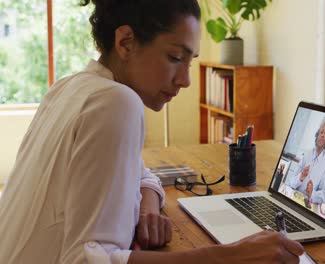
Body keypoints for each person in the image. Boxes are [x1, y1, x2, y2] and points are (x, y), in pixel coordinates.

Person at [0, 1, 304, 263]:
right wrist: (232, 256)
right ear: (126, 42)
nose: (185, 80)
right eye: (174, 58)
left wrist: (147, 206)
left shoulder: (69, 87)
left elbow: (140, 171)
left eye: (190, 61)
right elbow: (85, 260)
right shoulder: (116, 102)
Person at [289, 115, 325, 204]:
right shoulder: (306, 154)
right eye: (321, 132)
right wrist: (301, 177)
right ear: (317, 135)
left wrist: (312, 194)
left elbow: (324, 196)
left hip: (307, 205)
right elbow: (291, 182)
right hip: (293, 199)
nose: (322, 135)